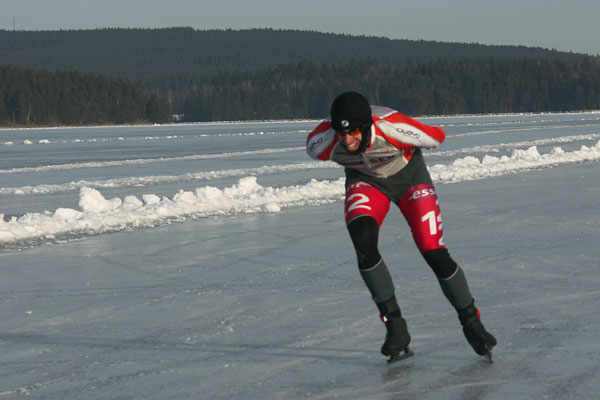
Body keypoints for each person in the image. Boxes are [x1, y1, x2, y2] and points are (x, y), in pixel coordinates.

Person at [306, 91, 497, 361]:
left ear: (367, 126)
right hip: (367, 182)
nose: (347, 141)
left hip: (410, 177)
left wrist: (417, 142)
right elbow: (321, 141)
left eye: (354, 133)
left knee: (432, 249)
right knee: (363, 242)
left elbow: (436, 136)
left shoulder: (393, 128)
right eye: (341, 133)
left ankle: (472, 322)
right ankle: (395, 327)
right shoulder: (321, 143)